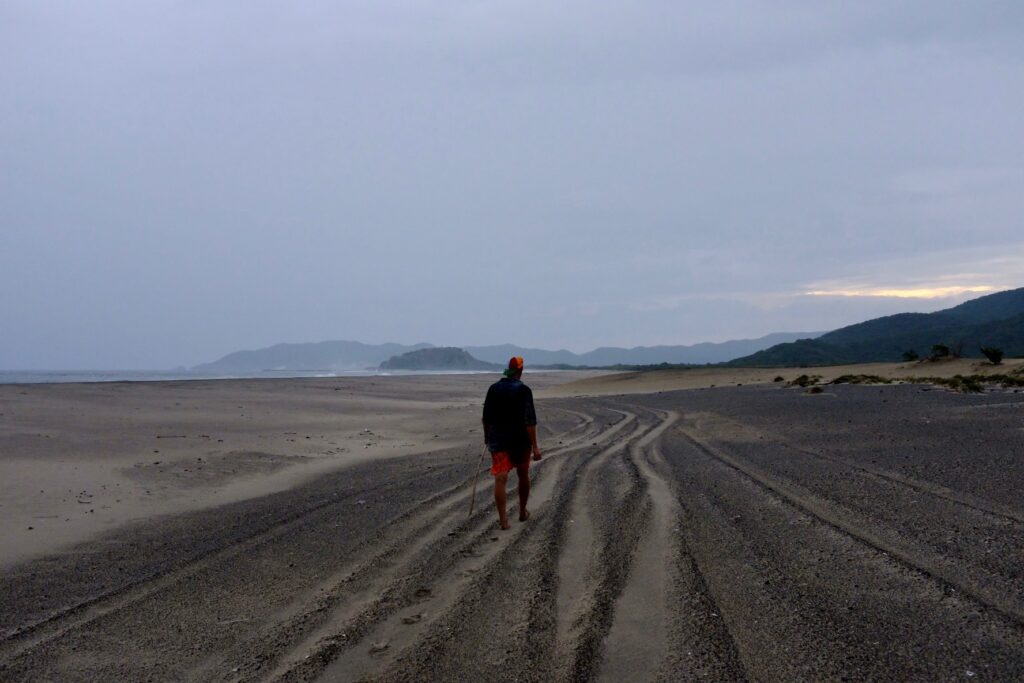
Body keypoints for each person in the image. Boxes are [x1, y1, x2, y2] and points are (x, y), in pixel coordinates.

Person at [482, 356, 542, 529]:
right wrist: (535, 447)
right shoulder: (524, 390)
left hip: (498, 439)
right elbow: (529, 421)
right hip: (520, 441)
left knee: (500, 478)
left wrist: (487, 437)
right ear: (520, 370)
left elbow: (486, 417)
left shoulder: (493, 388)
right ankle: (522, 512)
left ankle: (503, 521)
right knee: (522, 474)